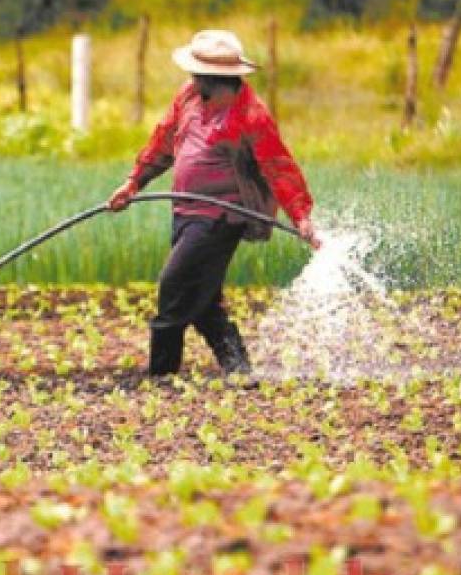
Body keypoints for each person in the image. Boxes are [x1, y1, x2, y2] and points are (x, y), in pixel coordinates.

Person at [107, 29, 321, 377]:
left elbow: (278, 168)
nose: (192, 78)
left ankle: (162, 375)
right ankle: (239, 369)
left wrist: (301, 216)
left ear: (214, 77)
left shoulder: (251, 116)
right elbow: (162, 143)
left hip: (222, 218)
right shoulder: (189, 97)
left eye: (197, 74)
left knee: (174, 285)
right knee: (202, 300)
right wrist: (133, 183)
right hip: (184, 211)